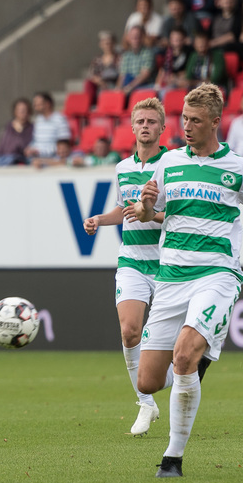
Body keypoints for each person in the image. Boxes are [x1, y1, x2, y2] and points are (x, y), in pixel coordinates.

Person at [134, 83, 243, 477]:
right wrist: (148, 207)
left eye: (195, 121)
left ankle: (172, 459)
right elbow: (156, 215)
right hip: (170, 278)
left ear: (215, 122)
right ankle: (195, 364)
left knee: (183, 356)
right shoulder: (167, 163)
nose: (186, 126)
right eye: (184, 118)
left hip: (216, 275)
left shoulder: (238, 168)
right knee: (149, 381)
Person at [83, 97, 171, 436]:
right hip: (132, 259)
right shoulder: (122, 168)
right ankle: (145, 404)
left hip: (167, 262)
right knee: (129, 331)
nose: (146, 126)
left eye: (152, 121)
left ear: (163, 128)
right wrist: (99, 220)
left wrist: (151, 213)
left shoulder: (172, 164)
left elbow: (178, 214)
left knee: (169, 345)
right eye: (141, 121)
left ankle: (163, 383)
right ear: (132, 127)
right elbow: (124, 209)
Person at [24, 92, 70, 160]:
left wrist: (40, 152)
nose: (34, 106)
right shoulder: (38, 120)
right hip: (35, 156)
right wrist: (29, 148)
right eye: (35, 104)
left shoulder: (60, 119)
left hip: (52, 158)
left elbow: (63, 145)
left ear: (47, 104)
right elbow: (35, 141)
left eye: (38, 104)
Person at [0, 97, 33, 166]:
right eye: (19, 110)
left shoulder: (31, 128)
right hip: (4, 158)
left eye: (24, 110)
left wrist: (20, 132)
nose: (22, 112)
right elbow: (2, 144)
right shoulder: (9, 126)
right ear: (15, 111)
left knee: (11, 159)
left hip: (19, 158)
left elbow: (24, 146)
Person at [85, 30, 121, 106]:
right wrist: (100, 82)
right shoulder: (97, 60)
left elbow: (122, 74)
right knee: (88, 83)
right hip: (100, 86)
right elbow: (91, 75)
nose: (108, 45)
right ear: (101, 45)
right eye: (105, 43)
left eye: (110, 43)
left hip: (115, 85)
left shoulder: (119, 58)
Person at [118, 25, 156, 95]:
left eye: (137, 35)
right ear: (128, 38)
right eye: (132, 36)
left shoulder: (148, 53)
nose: (135, 38)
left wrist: (130, 87)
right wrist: (118, 89)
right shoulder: (126, 55)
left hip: (143, 86)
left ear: (142, 37)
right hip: (128, 86)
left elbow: (145, 74)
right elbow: (122, 75)